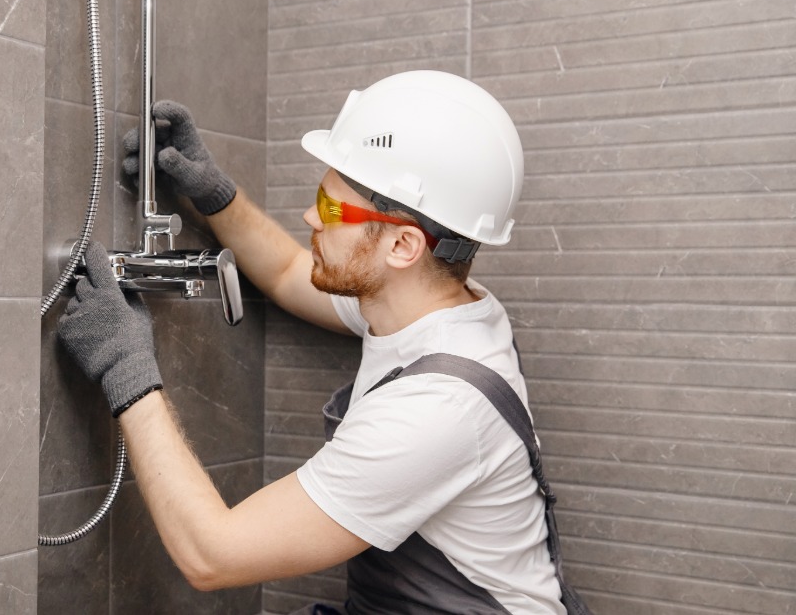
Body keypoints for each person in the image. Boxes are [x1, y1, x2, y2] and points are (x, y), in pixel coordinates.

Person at [58, 71, 587, 614]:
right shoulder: (435, 304)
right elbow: (291, 272)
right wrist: (214, 196)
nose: (311, 216)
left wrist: (126, 365)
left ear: (403, 245)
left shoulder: (439, 410)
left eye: (332, 210)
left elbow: (212, 555)